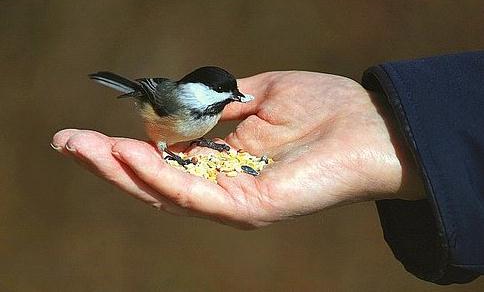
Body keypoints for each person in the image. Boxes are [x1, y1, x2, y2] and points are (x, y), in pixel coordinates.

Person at [51, 51, 484, 284]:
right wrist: (166, 148)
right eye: (223, 91)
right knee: (163, 143)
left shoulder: (210, 111)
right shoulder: (176, 102)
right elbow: (153, 101)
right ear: (199, 91)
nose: (232, 97)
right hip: (161, 116)